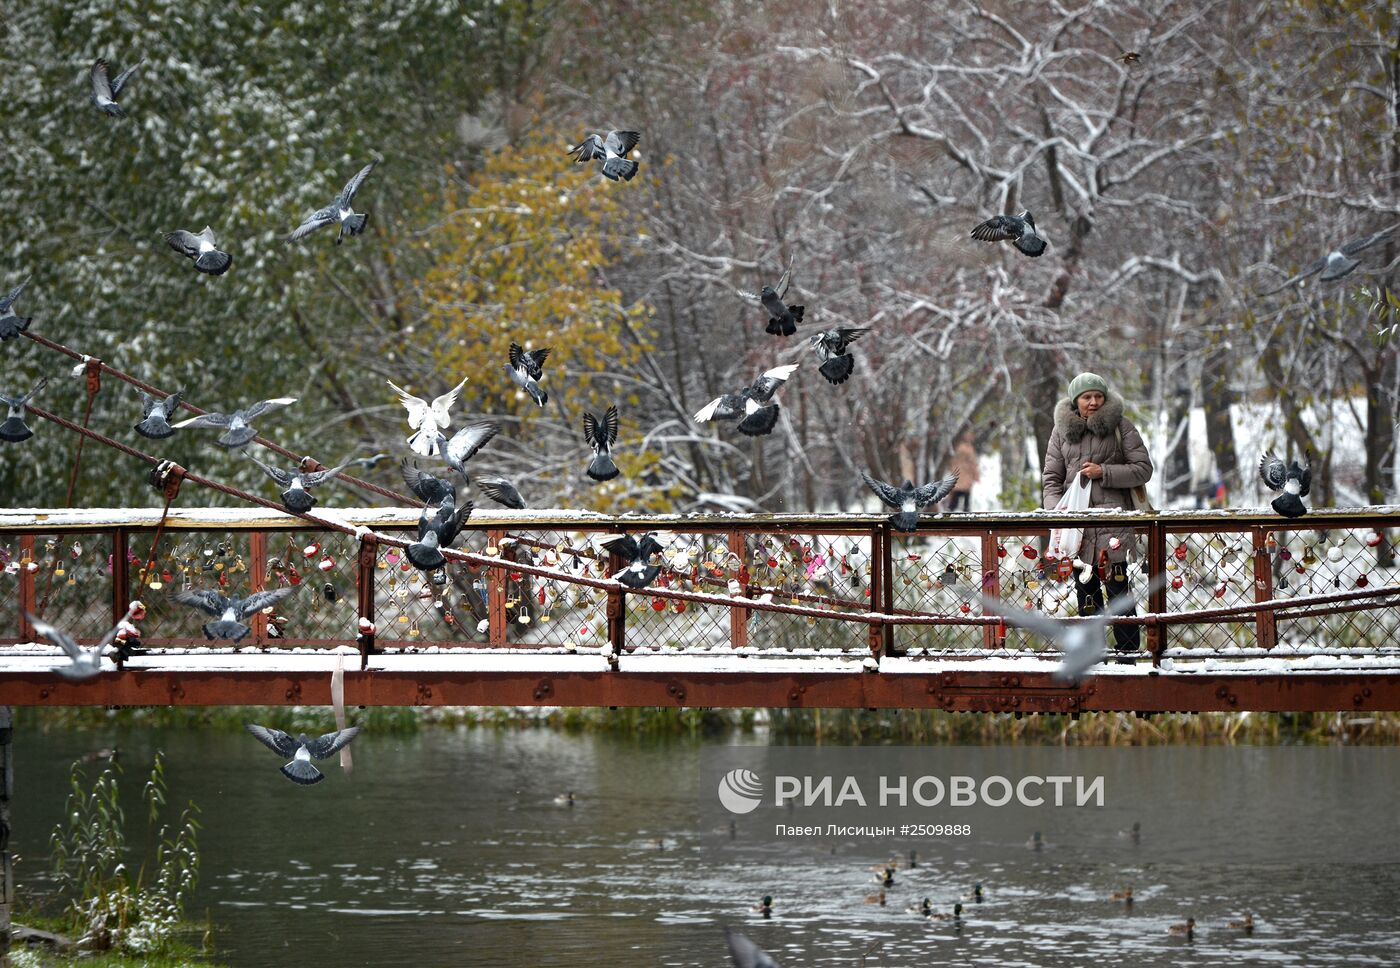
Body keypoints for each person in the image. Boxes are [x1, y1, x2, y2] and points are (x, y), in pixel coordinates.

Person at [1042, 373, 1153, 657]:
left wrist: (1105, 472)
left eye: (1098, 396)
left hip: (1112, 525)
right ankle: (1093, 654)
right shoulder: (1060, 433)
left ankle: (1128, 654)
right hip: (1076, 529)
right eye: (1086, 397)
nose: (1093, 402)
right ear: (1075, 400)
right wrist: (1058, 515)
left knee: (1119, 591)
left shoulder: (1121, 427)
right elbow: (1052, 479)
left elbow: (1143, 469)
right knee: (1086, 593)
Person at [947, 428, 979, 512]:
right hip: (966, 475)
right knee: (965, 495)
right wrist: (976, 475)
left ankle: (951, 512)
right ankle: (965, 514)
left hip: (958, 474)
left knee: (956, 495)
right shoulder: (968, 449)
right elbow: (973, 463)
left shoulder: (957, 447)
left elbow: (952, 462)